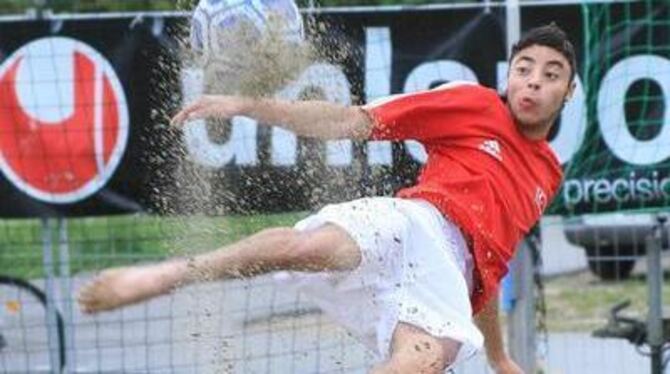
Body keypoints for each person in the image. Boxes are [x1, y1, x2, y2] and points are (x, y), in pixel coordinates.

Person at [79, 23, 576, 373]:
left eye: (550, 74)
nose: (532, 79)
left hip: (449, 280)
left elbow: (491, 266)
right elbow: (350, 121)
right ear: (507, 75)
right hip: (414, 221)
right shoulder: (473, 104)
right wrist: (248, 106)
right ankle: (168, 275)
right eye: (523, 67)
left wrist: (498, 357)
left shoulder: (546, 175)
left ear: (568, 92)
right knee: (308, 248)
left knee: (419, 362)